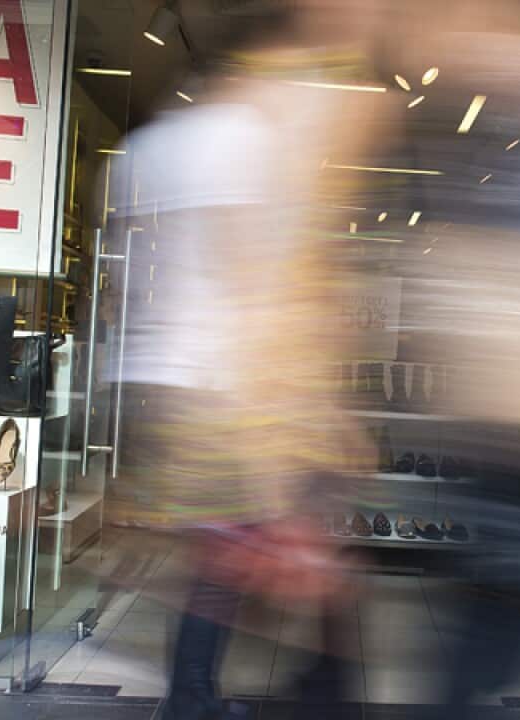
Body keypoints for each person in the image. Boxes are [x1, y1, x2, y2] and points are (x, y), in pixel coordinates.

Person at [108, 4, 385, 719]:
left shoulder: (150, 143)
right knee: (272, 542)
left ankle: (210, 692)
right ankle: (279, 693)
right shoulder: (238, 138)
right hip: (220, 382)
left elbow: (126, 279)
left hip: (161, 377)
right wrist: (301, 406)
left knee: (224, 552)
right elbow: (251, 281)